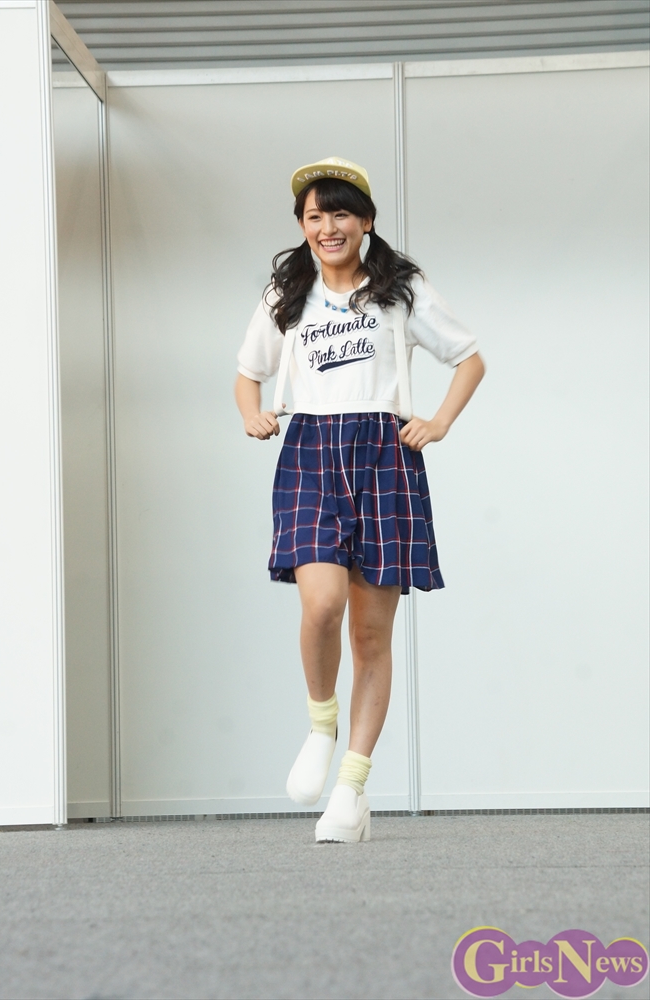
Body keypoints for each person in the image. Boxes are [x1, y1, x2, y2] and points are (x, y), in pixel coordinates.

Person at [235, 157, 484, 843]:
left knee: (371, 635)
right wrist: (252, 413)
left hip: (383, 453)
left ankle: (351, 788)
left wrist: (437, 422)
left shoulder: (400, 289)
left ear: (366, 220)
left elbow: (469, 358)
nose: (327, 227)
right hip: (311, 449)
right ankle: (321, 725)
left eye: (340, 213)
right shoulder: (287, 293)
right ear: (302, 226)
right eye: (314, 216)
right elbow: (247, 372)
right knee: (322, 605)